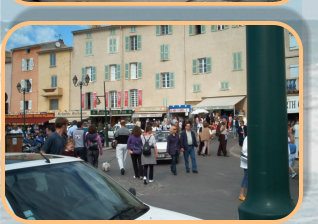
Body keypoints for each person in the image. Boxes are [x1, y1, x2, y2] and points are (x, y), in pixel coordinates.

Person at [239, 136, 248, 201]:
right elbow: (244, 149)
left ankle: (244, 194)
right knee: (246, 177)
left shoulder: (247, 137)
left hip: (247, 162)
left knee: (247, 177)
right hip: (247, 161)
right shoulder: (248, 138)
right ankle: (241, 194)